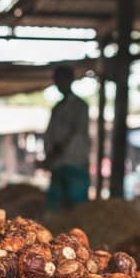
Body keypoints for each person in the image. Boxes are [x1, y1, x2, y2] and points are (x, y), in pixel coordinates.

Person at [44, 65, 91, 209]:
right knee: (57, 205)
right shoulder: (57, 107)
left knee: (76, 204)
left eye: (61, 80)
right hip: (58, 163)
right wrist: (50, 154)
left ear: (70, 80)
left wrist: (58, 149)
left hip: (75, 161)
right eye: (56, 80)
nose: (58, 84)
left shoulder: (80, 106)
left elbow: (76, 131)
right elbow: (51, 135)